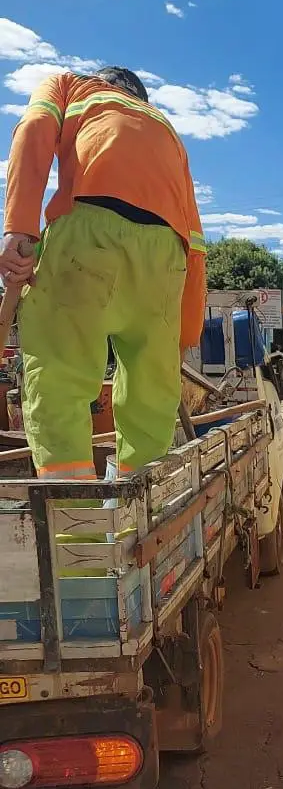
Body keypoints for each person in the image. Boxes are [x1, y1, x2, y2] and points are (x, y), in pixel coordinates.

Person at [0, 66, 206, 480]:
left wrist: (20, 227)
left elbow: (35, 129)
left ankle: (76, 528)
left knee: (59, 376)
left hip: (87, 234)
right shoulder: (166, 129)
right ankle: (142, 511)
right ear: (142, 99)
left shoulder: (69, 84)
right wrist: (185, 333)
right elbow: (195, 239)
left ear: (103, 81)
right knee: (151, 392)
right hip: (164, 256)